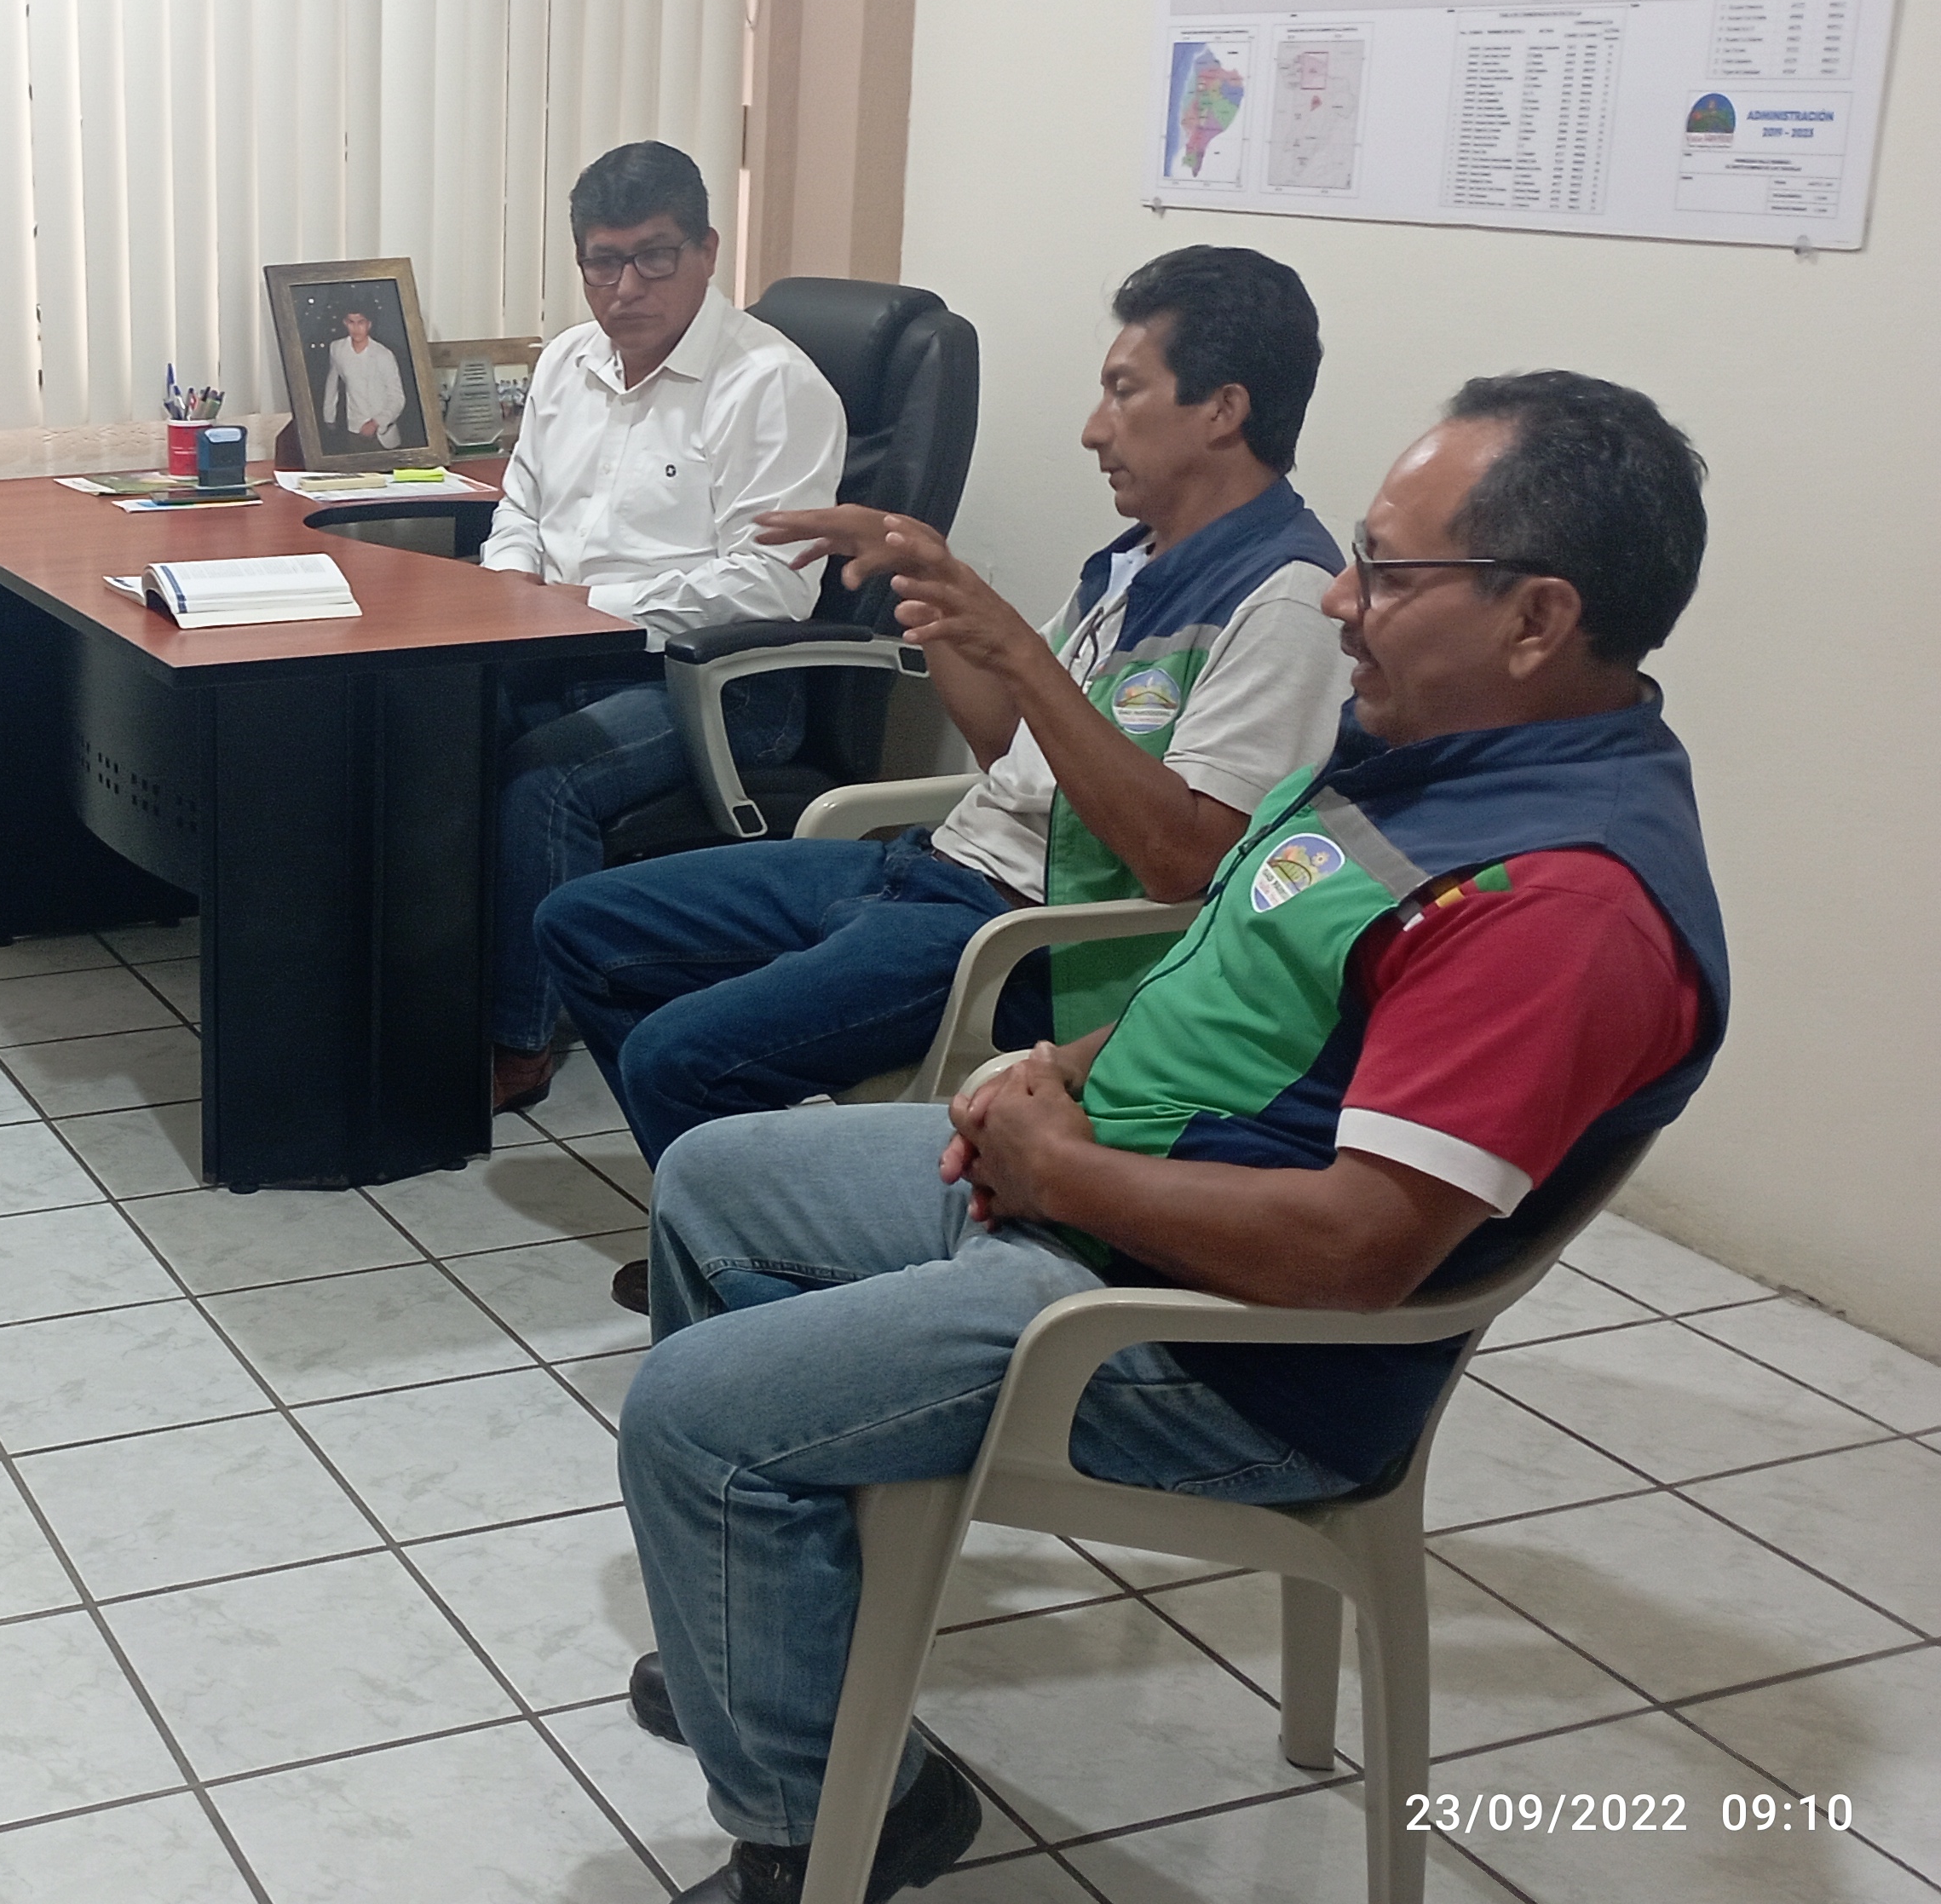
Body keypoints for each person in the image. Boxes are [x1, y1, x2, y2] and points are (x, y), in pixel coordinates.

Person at [613, 373, 1727, 1903]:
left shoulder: (1557, 904)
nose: (1340, 598)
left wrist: (1065, 1169)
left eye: (1387, 572)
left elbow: (1358, 1253)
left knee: (697, 1414)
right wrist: (1062, 1069)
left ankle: (832, 1830)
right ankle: (776, 1655)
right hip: (1125, 1197)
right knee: (711, 1180)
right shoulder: (1435, 752)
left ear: (1538, 618)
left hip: (1220, 1346)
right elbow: (1241, 971)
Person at [538, 246, 1351, 1186]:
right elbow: (1011, 749)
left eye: (1124, 392)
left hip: (1020, 934)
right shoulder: (1139, 559)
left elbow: (1186, 862)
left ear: (1223, 409)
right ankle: (754, 1206)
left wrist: (1020, 652)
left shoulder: (1285, 598)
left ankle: (770, 1233)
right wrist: (936, 582)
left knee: (674, 1059)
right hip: (928, 866)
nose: (1094, 430)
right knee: (580, 925)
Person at [479, 141, 848, 1111]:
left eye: (654, 257)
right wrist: (510, 588)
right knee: (421, 723)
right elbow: (521, 506)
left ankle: (519, 1039)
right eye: (603, 262)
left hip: (715, 684)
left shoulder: (771, 385)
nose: (626, 287)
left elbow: (772, 584)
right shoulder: (568, 361)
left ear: (707, 251)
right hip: (557, 645)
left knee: (543, 775)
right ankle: (422, 994)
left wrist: (586, 612)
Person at [320, 307, 412, 448]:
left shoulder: (384, 355)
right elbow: (332, 383)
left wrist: (376, 422)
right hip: (354, 429)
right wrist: (329, 415)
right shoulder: (337, 348)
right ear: (345, 323)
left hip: (383, 434)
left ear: (369, 324)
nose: (356, 328)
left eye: (361, 322)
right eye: (351, 322)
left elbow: (397, 398)